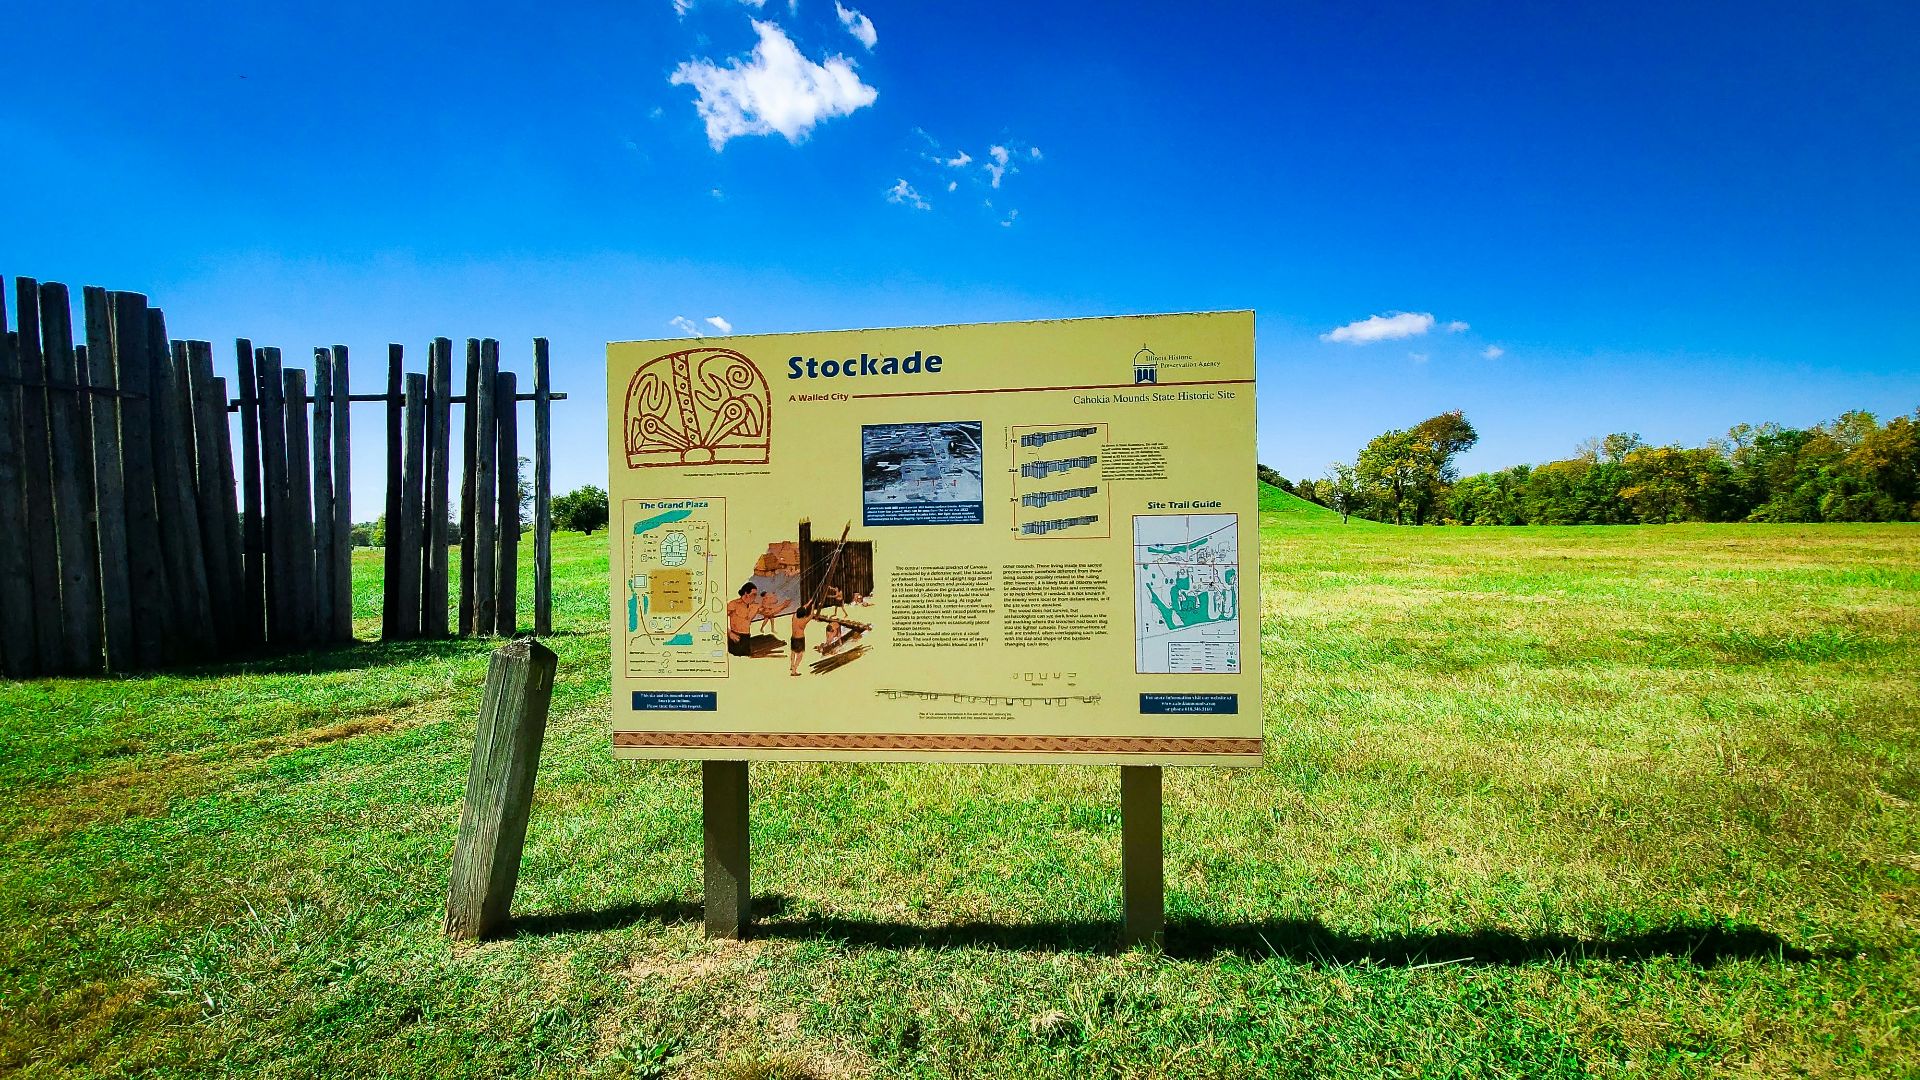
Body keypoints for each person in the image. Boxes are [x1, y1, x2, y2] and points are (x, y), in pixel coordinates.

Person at [725, 582, 758, 657]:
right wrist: (729, 633)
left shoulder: (754, 606)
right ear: (746, 593)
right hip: (735, 637)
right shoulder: (734, 604)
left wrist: (783, 606)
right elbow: (720, 618)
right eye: (754, 594)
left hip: (746, 638)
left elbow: (769, 612)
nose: (755, 597)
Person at [788, 604, 813, 675]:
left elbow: (802, 608)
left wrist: (809, 603)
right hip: (800, 639)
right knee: (800, 655)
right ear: (804, 614)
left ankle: (791, 665)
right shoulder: (804, 621)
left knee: (793, 652)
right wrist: (813, 606)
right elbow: (811, 615)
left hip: (793, 637)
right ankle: (794, 671)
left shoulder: (794, 616)